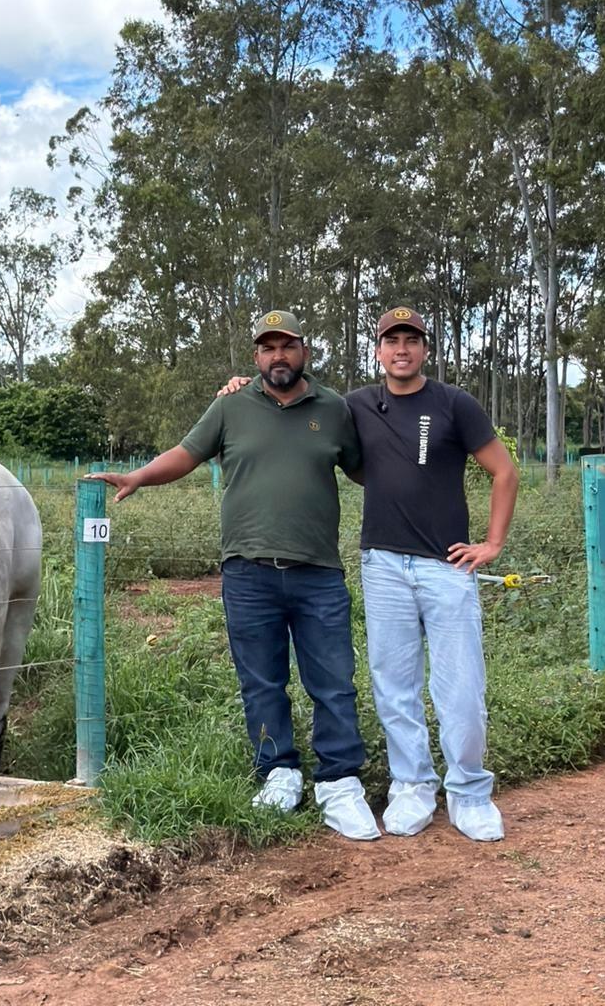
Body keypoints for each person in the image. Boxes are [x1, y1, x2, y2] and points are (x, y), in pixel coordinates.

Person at [222, 306, 519, 842]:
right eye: (391, 341)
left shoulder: (455, 404)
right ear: (378, 351)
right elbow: (292, 400)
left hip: (446, 566)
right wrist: (241, 387)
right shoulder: (354, 405)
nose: (401, 349)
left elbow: (504, 471)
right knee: (393, 686)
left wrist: (492, 543)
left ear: (425, 348)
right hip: (382, 564)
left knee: (460, 687)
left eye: (411, 340)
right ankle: (412, 785)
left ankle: (470, 792)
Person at [89, 310, 380, 841]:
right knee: (261, 681)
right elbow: (186, 454)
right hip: (248, 574)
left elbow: (366, 468)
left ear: (305, 352)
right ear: (256, 356)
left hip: (318, 573)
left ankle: (339, 782)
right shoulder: (230, 405)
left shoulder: (334, 408)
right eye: (268, 348)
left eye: (287, 346)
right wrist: (138, 477)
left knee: (333, 682)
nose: (278, 356)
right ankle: (279, 772)